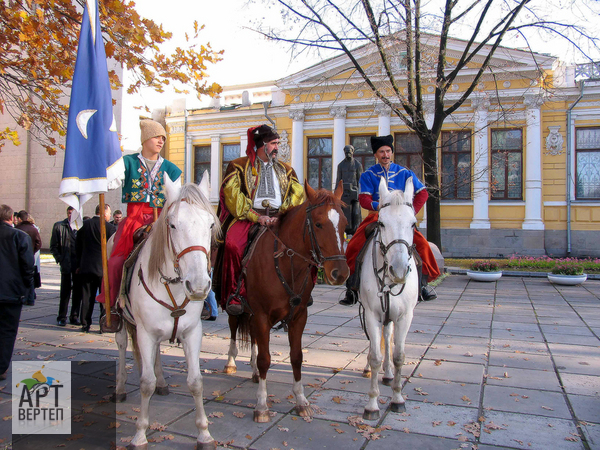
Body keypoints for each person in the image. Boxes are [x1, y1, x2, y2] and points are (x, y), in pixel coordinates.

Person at [213, 124, 305, 316]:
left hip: (280, 216)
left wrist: (282, 214)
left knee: (307, 241)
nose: (277, 147)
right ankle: (235, 293)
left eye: (277, 143)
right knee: (232, 244)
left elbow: (297, 193)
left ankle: (303, 290)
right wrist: (257, 216)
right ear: (262, 145)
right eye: (273, 143)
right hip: (248, 217)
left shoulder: (286, 170)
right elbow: (233, 197)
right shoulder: (238, 165)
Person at [340, 135, 440, 306]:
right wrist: (378, 206)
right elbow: (364, 199)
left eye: (388, 151)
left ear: (392, 152)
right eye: (381, 152)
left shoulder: (405, 173)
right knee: (355, 244)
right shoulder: (368, 175)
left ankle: (423, 285)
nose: (385, 154)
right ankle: (353, 286)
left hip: (401, 219)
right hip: (377, 216)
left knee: (422, 245)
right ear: (376, 155)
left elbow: (423, 193)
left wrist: (410, 211)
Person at [98, 119, 182, 308]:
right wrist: (102, 174)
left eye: (163, 138)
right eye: (156, 137)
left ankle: (191, 300)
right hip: (134, 220)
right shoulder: (127, 162)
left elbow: (176, 197)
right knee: (115, 262)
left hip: (162, 219)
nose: (161, 141)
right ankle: (115, 303)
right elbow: (111, 182)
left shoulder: (171, 169)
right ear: (145, 140)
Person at [0, 204, 35, 380]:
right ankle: (1, 367)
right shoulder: (19, 236)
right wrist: (28, 288)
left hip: (10, 291)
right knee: (7, 331)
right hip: (11, 292)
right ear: (11, 218)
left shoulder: (19, 236)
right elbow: (28, 266)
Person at [77, 204, 116, 332]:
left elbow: (77, 245)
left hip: (86, 266)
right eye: (109, 213)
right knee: (104, 298)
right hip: (103, 268)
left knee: (86, 296)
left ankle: (85, 323)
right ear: (104, 213)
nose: (110, 215)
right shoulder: (110, 228)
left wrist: (78, 263)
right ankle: (103, 323)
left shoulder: (85, 225)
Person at [50, 206, 82, 326]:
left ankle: (74, 316)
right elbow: (53, 246)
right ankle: (62, 316)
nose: (70, 215)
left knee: (77, 293)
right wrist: (60, 259)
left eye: (72, 213)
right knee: (65, 293)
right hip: (66, 264)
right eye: (69, 213)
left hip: (78, 265)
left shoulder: (81, 227)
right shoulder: (59, 226)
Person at [15, 210, 42, 305]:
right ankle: (30, 299)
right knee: (30, 278)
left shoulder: (17, 229)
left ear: (19, 219)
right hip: (30, 256)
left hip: (19, 257)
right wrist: (32, 251)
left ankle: (23, 297)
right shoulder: (33, 229)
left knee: (20, 277)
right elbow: (39, 243)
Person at [335, 145, 363, 235]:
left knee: (355, 213)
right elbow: (338, 180)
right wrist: (336, 195)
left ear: (353, 152)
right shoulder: (341, 165)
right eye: (346, 152)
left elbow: (360, 181)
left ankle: (356, 232)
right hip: (344, 194)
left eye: (349, 151)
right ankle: (344, 232)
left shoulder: (357, 165)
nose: (348, 153)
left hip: (354, 194)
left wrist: (360, 193)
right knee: (343, 214)